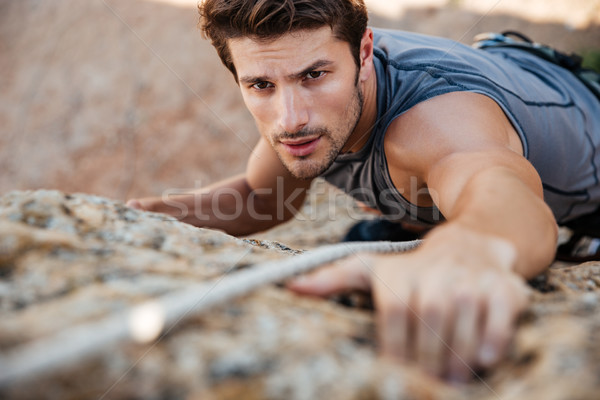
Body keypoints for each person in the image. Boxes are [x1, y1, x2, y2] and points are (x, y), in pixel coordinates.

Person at [127, 0, 600, 382]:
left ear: (364, 52)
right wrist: (143, 215)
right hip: (510, 73)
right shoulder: (307, 97)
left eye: (314, 75)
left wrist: (471, 248)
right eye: (261, 85)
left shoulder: (436, 123)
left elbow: (503, 192)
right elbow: (262, 199)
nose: (291, 118)